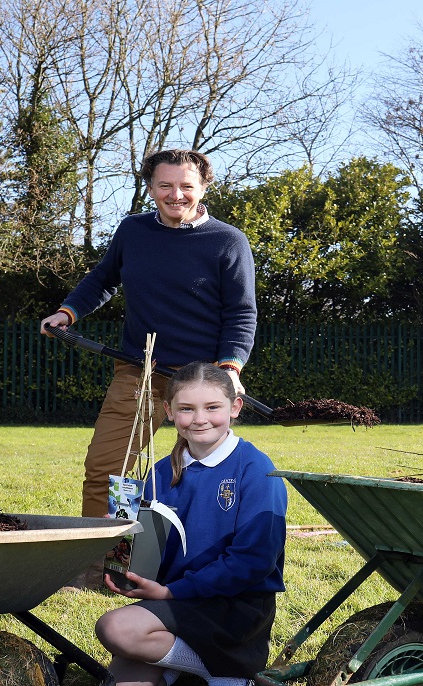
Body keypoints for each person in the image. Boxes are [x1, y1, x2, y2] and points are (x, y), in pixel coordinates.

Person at [40, 148, 257, 589]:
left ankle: (193, 566)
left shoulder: (227, 241)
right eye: (165, 185)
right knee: (110, 470)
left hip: (200, 381)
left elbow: (241, 312)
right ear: (151, 186)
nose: (176, 194)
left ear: (203, 188)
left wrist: (230, 367)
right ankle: (103, 565)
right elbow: (103, 279)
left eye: (186, 186)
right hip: (139, 372)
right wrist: (67, 313)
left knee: (199, 476)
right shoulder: (133, 231)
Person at [94, 362, 287, 686]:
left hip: (234, 607)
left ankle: (232, 673)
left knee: (114, 627)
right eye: (186, 408)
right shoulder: (160, 471)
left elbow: (254, 562)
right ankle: (194, 664)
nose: (200, 419)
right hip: (181, 601)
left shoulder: (257, 470)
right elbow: (157, 545)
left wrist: (170, 594)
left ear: (235, 407)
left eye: (212, 407)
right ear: (169, 412)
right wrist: (125, 543)